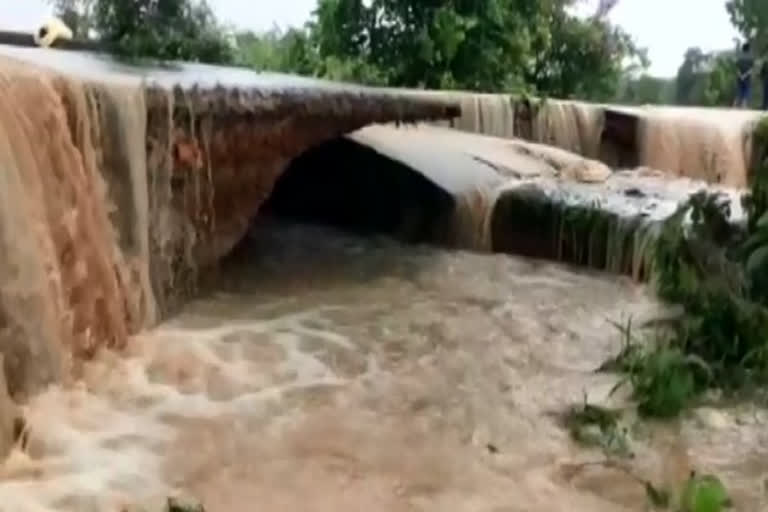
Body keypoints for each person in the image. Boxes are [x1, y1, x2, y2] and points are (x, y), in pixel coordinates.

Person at [735, 42, 754, 108]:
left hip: (739, 76)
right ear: (749, 49)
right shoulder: (750, 57)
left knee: (739, 90)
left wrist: (740, 75)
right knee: (746, 90)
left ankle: (735, 104)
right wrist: (745, 75)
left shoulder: (740, 57)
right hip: (747, 77)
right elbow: (751, 69)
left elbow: (737, 68)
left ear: (742, 48)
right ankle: (744, 105)